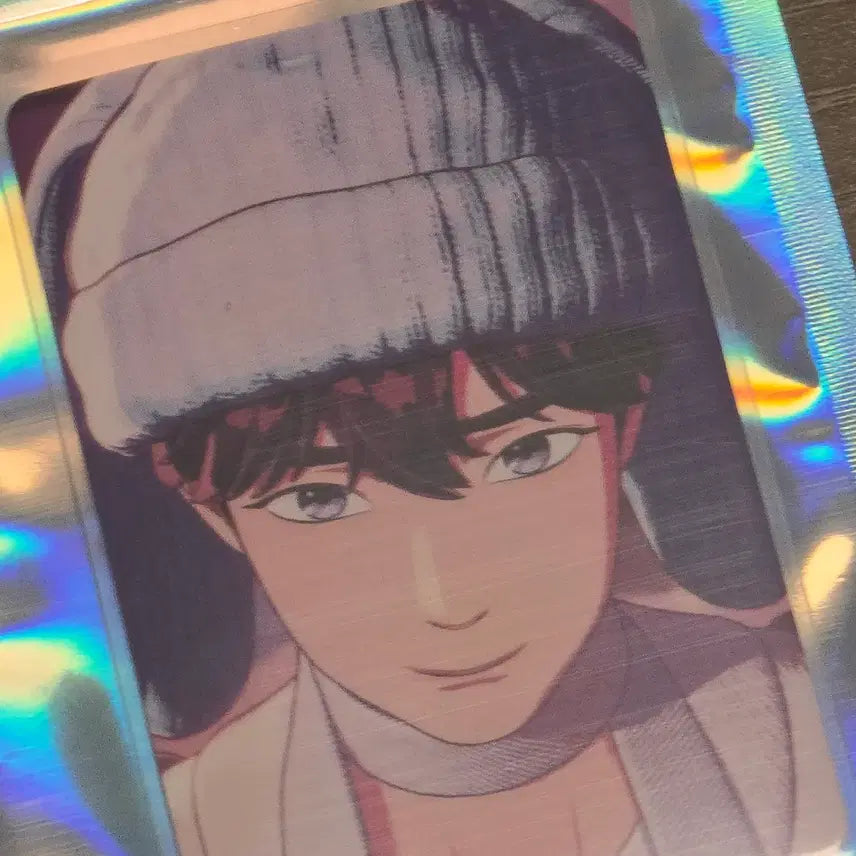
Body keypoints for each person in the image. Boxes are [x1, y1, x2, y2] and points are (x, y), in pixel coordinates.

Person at [26, 0, 845, 853]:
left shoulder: (807, 722)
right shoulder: (190, 828)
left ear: (626, 423)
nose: (448, 603)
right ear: (210, 510)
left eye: (527, 452)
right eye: (318, 500)